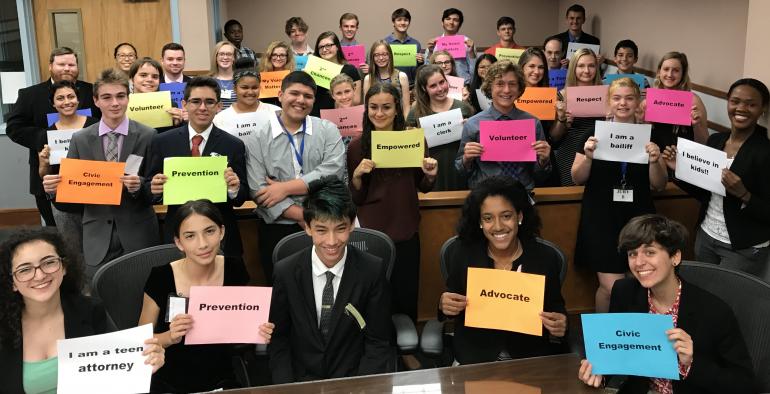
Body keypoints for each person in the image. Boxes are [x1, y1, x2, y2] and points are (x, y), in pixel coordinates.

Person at [578, 214, 755, 393]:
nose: (639, 262)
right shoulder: (624, 292)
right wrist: (598, 371)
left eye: (650, 252)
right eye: (632, 254)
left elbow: (745, 384)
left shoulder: (714, 311)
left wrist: (691, 364)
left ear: (675, 257)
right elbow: (615, 351)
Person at [0, 228, 164, 393]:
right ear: (12, 281)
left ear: (64, 267)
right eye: (24, 269)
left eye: (49, 262)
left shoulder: (90, 310)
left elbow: (121, 371)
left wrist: (148, 360)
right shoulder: (3, 325)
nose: (40, 275)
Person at [269, 175, 393, 383]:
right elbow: (279, 340)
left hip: (353, 380)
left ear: (352, 225)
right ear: (307, 227)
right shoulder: (286, 272)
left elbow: (378, 342)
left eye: (341, 229)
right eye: (321, 230)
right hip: (301, 381)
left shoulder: (372, 270)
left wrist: (361, 388)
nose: (332, 241)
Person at [138, 200, 269, 392]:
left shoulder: (234, 268)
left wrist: (258, 329)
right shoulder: (161, 277)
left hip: (221, 377)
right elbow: (140, 342)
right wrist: (170, 336)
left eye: (209, 231)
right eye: (190, 236)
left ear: (222, 232)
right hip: (169, 378)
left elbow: (240, 328)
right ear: (178, 242)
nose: (203, 244)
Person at [41, 69, 159, 278]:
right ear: (96, 101)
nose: (115, 103)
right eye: (107, 97)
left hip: (138, 234)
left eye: (120, 96)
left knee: (144, 297)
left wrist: (139, 185)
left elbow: (157, 191)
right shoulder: (81, 139)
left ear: (128, 98)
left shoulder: (148, 136)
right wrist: (54, 191)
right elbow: (71, 201)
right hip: (97, 236)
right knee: (102, 299)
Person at [440, 176, 567, 364]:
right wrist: (444, 305)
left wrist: (561, 323)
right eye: (488, 218)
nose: (498, 226)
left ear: (520, 217)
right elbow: (451, 303)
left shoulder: (544, 257)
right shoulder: (463, 253)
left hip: (528, 359)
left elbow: (556, 307)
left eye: (506, 216)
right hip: (475, 358)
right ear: (480, 222)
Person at [571, 77, 667, 312]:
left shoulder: (650, 136)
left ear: (638, 103)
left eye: (629, 98)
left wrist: (654, 161)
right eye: (617, 98)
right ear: (608, 103)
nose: (623, 103)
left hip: (638, 217)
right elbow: (577, 177)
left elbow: (660, 184)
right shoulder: (593, 134)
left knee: (638, 283)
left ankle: (630, 339)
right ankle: (602, 342)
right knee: (611, 287)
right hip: (601, 217)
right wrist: (589, 157)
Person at [662, 78, 770, 282]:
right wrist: (680, 170)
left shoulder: (765, 152)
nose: (741, 108)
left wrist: (744, 195)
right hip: (707, 235)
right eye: (735, 101)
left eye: (751, 104)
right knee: (703, 295)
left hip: (742, 246)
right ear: (728, 102)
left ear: (762, 108)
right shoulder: (716, 141)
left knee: (730, 304)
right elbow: (705, 193)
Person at [244, 71, 346, 284]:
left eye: (308, 96)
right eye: (294, 93)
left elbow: (333, 172)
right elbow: (258, 190)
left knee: (326, 288)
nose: (301, 100)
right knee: (282, 292)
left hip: (325, 228)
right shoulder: (257, 137)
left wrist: (285, 188)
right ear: (280, 95)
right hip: (278, 229)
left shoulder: (327, 129)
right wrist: (305, 217)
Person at [347, 83, 437, 322]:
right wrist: (356, 177)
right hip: (371, 232)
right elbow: (357, 197)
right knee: (374, 297)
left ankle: (405, 349)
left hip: (406, 227)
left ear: (397, 109)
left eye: (386, 107)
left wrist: (430, 174)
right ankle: (376, 347)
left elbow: (423, 186)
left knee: (406, 293)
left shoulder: (413, 140)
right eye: (373, 107)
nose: (379, 113)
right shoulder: (357, 146)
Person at [147, 76, 250, 260]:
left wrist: (234, 188)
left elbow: (242, 196)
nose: (203, 107)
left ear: (219, 107)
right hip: (178, 235)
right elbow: (149, 188)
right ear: (185, 104)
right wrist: (154, 188)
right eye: (196, 101)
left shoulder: (234, 145)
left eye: (209, 102)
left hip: (221, 237)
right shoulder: (162, 142)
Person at [7, 47, 99, 228]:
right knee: (59, 234)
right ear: (50, 66)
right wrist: (49, 138)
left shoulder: (91, 91)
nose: (67, 68)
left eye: (71, 64)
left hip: (90, 177)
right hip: (49, 177)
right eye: (61, 64)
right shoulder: (30, 94)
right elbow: (14, 128)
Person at [455, 60, 552, 190]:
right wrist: (466, 159)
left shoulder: (533, 123)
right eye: (500, 84)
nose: (506, 90)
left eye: (512, 84)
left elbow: (541, 175)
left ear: (519, 89)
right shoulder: (473, 124)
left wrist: (543, 161)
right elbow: (460, 172)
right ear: (490, 87)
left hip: (523, 193)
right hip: (485, 194)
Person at [36, 80, 99, 253]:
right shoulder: (47, 134)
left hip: (95, 198)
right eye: (60, 98)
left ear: (78, 100)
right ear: (53, 103)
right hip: (64, 203)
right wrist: (43, 162)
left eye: (71, 96)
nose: (66, 102)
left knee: (100, 249)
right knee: (73, 252)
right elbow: (43, 175)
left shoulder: (97, 125)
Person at [407, 64, 473, 191]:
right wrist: (412, 136)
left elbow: (475, 142)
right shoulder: (416, 112)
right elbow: (407, 149)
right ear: (424, 88)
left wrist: (470, 128)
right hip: (430, 172)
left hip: (458, 170)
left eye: (442, 82)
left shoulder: (463, 108)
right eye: (433, 86)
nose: (440, 88)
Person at [551, 48, 602, 186]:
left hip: (597, 151)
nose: (586, 70)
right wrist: (562, 120)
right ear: (573, 67)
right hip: (570, 152)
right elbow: (554, 138)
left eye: (591, 65)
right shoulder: (561, 96)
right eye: (581, 65)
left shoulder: (606, 94)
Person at [645, 52, 709, 148]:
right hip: (655, 157)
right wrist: (642, 120)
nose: (670, 74)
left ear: (683, 74)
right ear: (659, 71)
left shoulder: (693, 101)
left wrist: (697, 125)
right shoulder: (650, 99)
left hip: (680, 159)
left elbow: (705, 143)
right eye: (666, 69)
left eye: (676, 70)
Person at [518, 48, 562, 187]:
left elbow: (553, 137)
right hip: (517, 155)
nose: (536, 72)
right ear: (521, 68)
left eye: (541, 67)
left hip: (543, 155)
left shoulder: (552, 96)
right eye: (531, 66)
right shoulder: (511, 94)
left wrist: (561, 118)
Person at [310, 31, 362, 116]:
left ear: (337, 46)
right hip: (317, 117)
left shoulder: (350, 70)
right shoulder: (313, 70)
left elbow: (356, 100)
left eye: (328, 45)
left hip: (343, 118)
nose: (324, 49)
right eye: (321, 47)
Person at [128, 57, 186, 132]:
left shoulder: (170, 105)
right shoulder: (123, 104)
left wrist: (179, 124)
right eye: (143, 75)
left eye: (155, 77)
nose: (149, 79)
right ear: (132, 79)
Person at [214, 69, 281, 130]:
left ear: (260, 88)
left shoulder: (276, 112)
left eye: (254, 88)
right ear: (234, 89)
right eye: (244, 88)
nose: (250, 92)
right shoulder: (220, 119)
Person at [427, 8, 476, 84]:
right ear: (442, 22)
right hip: (440, 86)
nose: (451, 22)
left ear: (460, 24)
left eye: (455, 20)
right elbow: (427, 70)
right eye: (448, 19)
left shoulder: (467, 42)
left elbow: (474, 70)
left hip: (463, 86)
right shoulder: (434, 43)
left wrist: (471, 53)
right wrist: (430, 52)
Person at [363, 40, 410, 117]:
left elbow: (406, 107)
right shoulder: (368, 79)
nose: (381, 58)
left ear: (390, 55)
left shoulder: (402, 76)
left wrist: (406, 126)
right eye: (377, 55)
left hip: (397, 122)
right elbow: (366, 107)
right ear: (372, 57)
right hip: (376, 121)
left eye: (384, 54)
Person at [384, 8, 424, 84]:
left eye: (406, 20)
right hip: (390, 85)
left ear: (409, 23)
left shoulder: (416, 44)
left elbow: (418, 71)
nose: (402, 23)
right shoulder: (385, 43)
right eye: (399, 20)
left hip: (411, 85)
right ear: (393, 23)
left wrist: (421, 62)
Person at [210, 41, 238, 110]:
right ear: (216, 57)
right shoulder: (208, 81)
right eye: (221, 54)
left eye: (229, 54)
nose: (225, 57)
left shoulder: (241, 79)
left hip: (238, 119)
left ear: (234, 58)